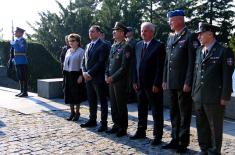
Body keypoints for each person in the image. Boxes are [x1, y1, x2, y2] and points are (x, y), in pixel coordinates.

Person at [192, 23, 234, 155]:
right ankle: (204, 149)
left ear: (210, 34)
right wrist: (194, 92)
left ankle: (215, 151)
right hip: (199, 95)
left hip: (215, 96)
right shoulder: (199, 50)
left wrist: (225, 96)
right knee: (201, 125)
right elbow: (196, 73)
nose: (198, 37)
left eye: (201, 34)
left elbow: (227, 76)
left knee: (215, 126)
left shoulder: (223, 51)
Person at [162, 10, 199, 153]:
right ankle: (174, 138)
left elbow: (192, 62)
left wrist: (188, 82)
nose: (169, 23)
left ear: (178, 20)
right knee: (173, 113)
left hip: (183, 83)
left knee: (184, 113)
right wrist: (165, 79)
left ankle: (183, 142)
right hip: (171, 82)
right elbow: (167, 61)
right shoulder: (171, 37)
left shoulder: (190, 36)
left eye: (171, 20)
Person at [130, 22, 165, 146]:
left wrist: (157, 83)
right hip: (140, 85)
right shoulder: (138, 45)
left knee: (156, 111)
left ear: (151, 32)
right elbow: (135, 65)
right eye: (141, 30)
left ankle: (157, 135)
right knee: (141, 109)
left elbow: (160, 68)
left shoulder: (159, 46)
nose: (142, 33)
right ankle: (141, 131)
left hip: (153, 86)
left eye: (145, 31)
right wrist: (134, 80)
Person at [105, 22, 132, 137]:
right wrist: (106, 75)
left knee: (121, 105)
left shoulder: (126, 46)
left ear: (122, 33)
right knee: (114, 104)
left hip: (119, 81)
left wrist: (112, 77)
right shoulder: (114, 45)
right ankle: (116, 124)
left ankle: (123, 127)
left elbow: (124, 67)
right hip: (111, 80)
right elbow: (109, 63)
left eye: (116, 31)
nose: (113, 32)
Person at [81, 25, 110, 132]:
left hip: (98, 78)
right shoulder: (88, 45)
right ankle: (92, 120)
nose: (90, 33)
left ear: (98, 33)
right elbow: (83, 60)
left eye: (93, 31)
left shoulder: (103, 45)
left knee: (102, 101)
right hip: (88, 78)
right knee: (91, 100)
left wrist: (89, 73)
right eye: (89, 31)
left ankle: (104, 123)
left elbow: (101, 62)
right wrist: (84, 72)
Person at [63, 33, 85, 121]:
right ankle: (71, 112)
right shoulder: (68, 51)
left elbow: (82, 64)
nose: (70, 42)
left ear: (78, 41)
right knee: (68, 93)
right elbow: (65, 63)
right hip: (68, 74)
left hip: (76, 74)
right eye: (69, 41)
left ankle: (77, 112)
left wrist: (81, 75)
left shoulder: (81, 51)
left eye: (73, 41)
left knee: (76, 94)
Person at [10, 27, 28, 97]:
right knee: (19, 77)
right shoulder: (16, 40)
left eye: (16, 32)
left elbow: (21, 49)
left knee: (24, 77)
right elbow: (12, 51)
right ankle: (21, 91)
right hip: (17, 61)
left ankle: (25, 92)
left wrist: (14, 44)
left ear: (21, 33)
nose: (15, 33)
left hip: (22, 61)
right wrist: (12, 58)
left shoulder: (23, 41)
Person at [126, 26, 137, 103]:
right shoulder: (125, 41)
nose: (126, 32)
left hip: (132, 64)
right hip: (125, 64)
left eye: (128, 31)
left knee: (131, 81)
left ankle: (131, 98)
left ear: (132, 32)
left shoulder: (135, 42)